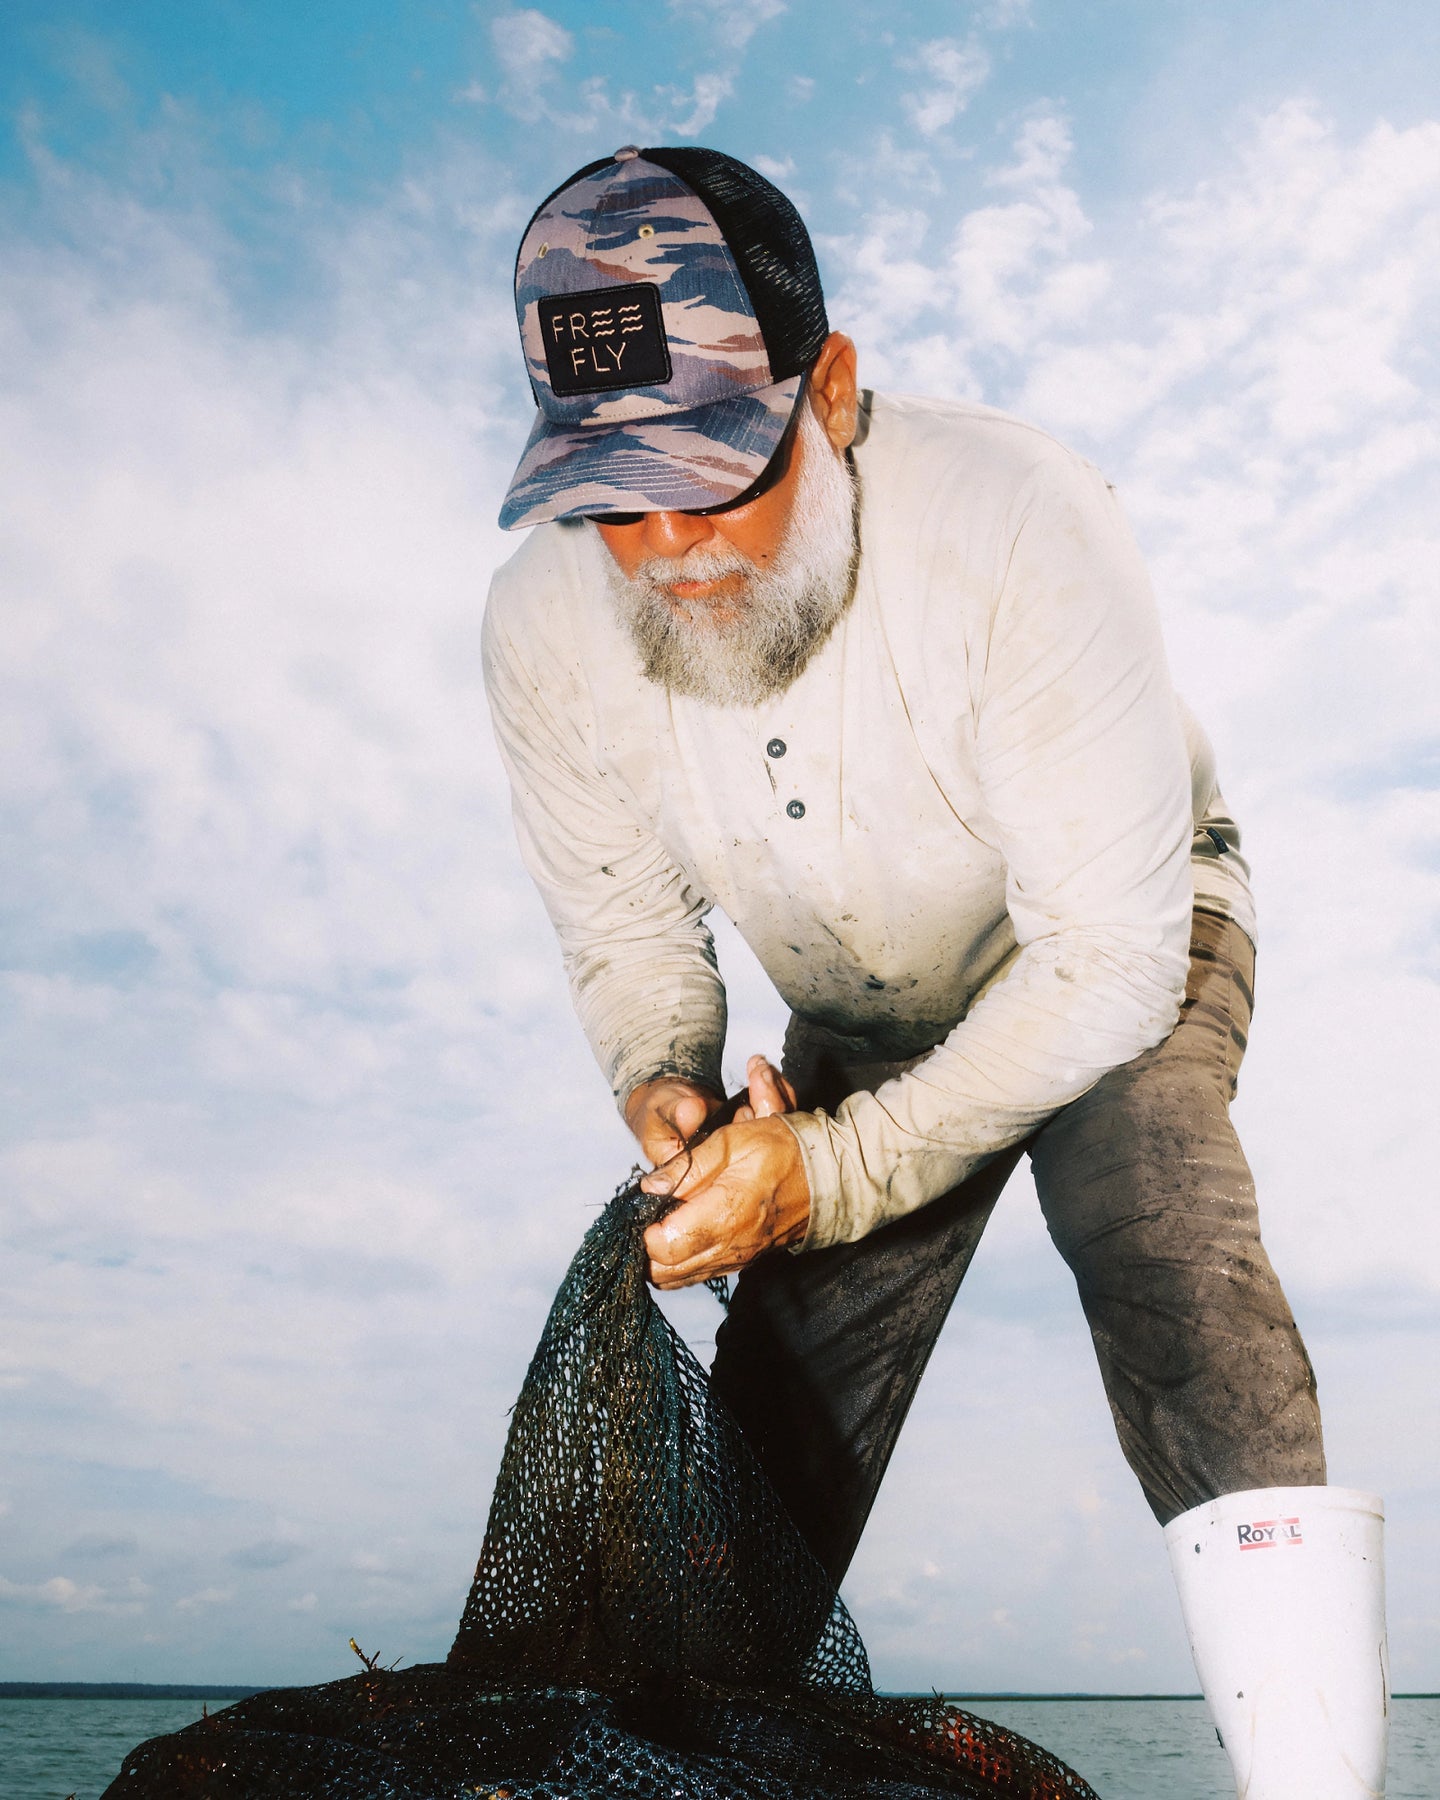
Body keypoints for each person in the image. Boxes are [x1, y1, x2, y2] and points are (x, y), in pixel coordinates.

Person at [483, 145, 1389, 1799]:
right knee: (770, 1414)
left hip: (1118, 938)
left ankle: (1314, 1780)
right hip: (861, 1000)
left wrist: (833, 1170)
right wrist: (668, 1081)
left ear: (827, 392)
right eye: (615, 496)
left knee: (1161, 1237)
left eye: (715, 473)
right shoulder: (538, 629)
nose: (672, 548)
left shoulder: (1022, 518)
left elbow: (1108, 962)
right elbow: (626, 926)